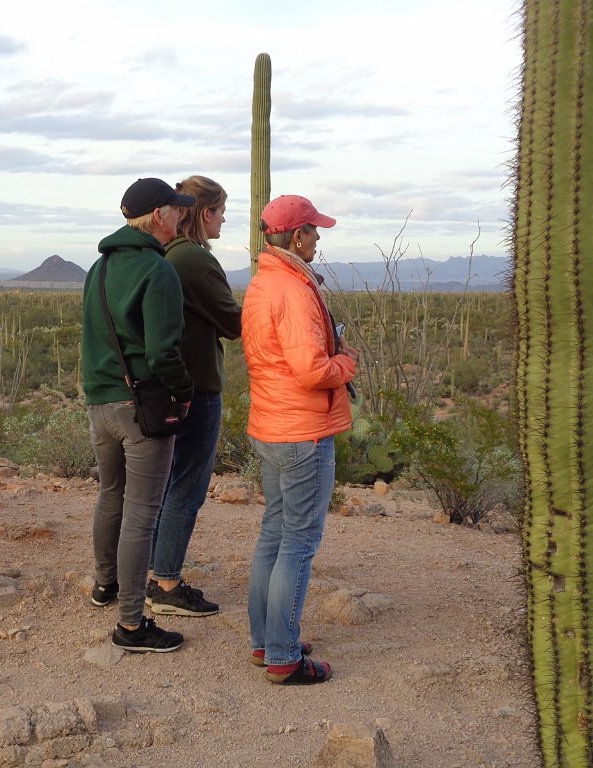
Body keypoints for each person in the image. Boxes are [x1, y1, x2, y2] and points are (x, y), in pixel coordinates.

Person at [241, 194, 359, 684]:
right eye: (313, 231)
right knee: (299, 540)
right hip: (301, 432)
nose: (317, 238)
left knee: (275, 531)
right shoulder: (293, 290)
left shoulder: (264, 282)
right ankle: (284, 657)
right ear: (295, 237)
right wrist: (347, 363)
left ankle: (267, 639)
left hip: (271, 424)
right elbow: (312, 370)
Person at [81, 177, 196, 653]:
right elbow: (163, 351)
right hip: (142, 408)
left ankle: (104, 585)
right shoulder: (158, 270)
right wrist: (185, 392)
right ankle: (131, 626)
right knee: (142, 515)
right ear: (159, 216)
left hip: (100, 404)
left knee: (112, 493)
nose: (181, 217)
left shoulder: (98, 268)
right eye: (176, 209)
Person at [147, 176, 242, 617]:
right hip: (197, 386)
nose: (225, 219)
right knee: (187, 485)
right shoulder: (195, 260)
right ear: (205, 213)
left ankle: (150, 574)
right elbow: (234, 323)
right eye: (221, 211)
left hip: (163, 387)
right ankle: (166, 582)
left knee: (164, 483)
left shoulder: (165, 254)